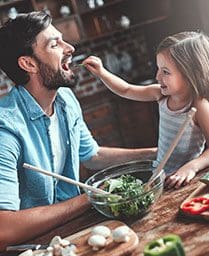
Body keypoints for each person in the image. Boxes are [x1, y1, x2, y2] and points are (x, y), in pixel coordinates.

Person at [0, 11, 157, 250]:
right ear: (28, 63)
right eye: (55, 44)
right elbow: (4, 229)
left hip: (71, 234)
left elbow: (91, 155)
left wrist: (156, 153)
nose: (69, 47)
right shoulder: (5, 128)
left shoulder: (65, 99)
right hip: (31, 248)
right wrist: (89, 198)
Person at [83, 31, 209, 190]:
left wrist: (192, 167)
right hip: (160, 176)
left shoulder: (198, 106)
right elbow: (126, 90)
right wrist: (102, 73)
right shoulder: (160, 95)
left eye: (165, 72)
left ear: (190, 73)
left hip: (185, 180)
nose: (157, 76)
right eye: (158, 69)